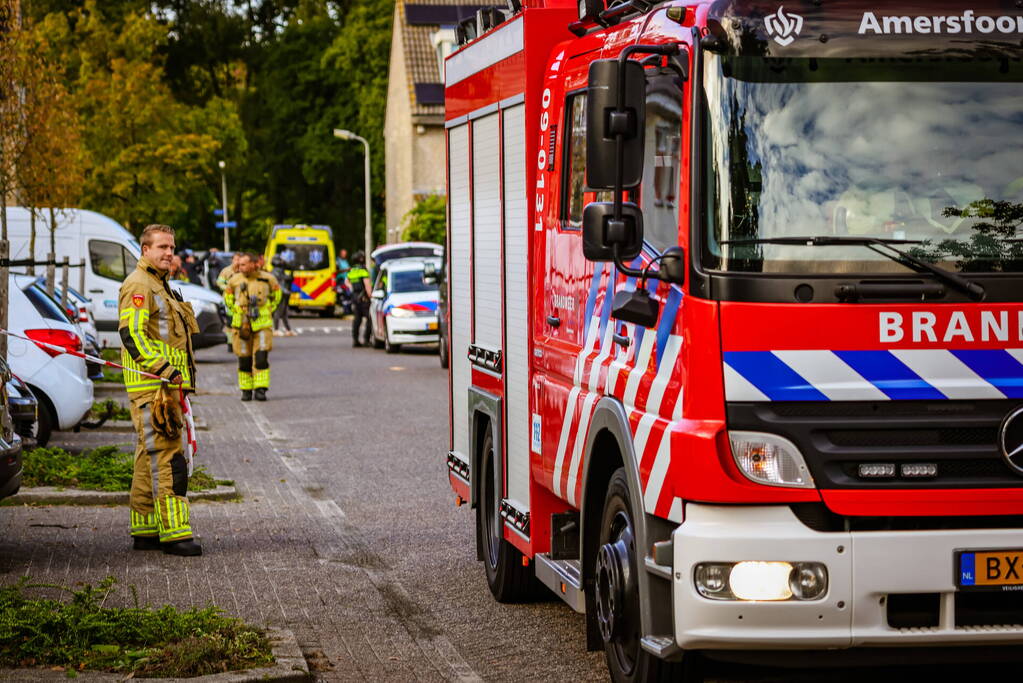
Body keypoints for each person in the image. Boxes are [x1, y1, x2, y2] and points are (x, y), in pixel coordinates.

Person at [118, 224, 202, 557]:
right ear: (145, 249)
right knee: (169, 460)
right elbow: (132, 335)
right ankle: (175, 534)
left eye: (172, 247)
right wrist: (166, 370)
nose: (169, 252)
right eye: (162, 247)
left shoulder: (159, 283)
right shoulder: (140, 284)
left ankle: (146, 530)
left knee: (148, 458)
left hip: (164, 388)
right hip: (155, 390)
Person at [224, 253, 281, 401]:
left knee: (261, 357)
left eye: (243, 264)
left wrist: (269, 309)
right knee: (244, 359)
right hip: (241, 325)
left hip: (262, 324)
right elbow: (227, 298)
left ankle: (261, 389)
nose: (239, 267)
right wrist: (236, 309)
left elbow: (277, 295)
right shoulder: (234, 280)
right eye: (239, 264)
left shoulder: (268, 278)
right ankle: (246, 390)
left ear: (253, 264)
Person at [346, 250, 372, 347]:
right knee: (369, 319)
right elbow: (367, 285)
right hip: (364, 298)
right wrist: (371, 296)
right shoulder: (363, 271)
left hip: (355, 297)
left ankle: (355, 340)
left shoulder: (352, 271)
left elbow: (346, 281)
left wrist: (352, 288)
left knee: (357, 319)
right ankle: (366, 340)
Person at [270, 255, 296, 337]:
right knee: (278, 311)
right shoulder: (275, 271)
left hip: (285, 293)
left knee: (284, 312)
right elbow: (280, 282)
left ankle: (288, 330)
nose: (282, 262)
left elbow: (288, 279)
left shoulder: (281, 270)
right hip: (280, 293)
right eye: (280, 260)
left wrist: (291, 270)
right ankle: (276, 329)